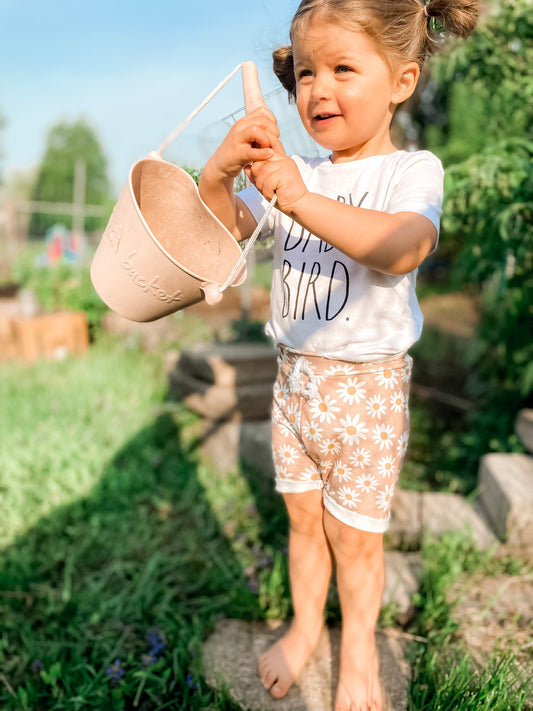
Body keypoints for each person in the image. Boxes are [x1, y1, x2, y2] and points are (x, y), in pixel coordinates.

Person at [198, 0, 478, 708]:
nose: (317, 89)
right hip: (294, 387)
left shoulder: (410, 170)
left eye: (342, 68)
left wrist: (296, 195)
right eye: (307, 73)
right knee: (300, 522)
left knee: (354, 540)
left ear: (401, 80)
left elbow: (402, 247)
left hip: (365, 396)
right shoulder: (301, 173)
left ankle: (355, 649)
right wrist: (218, 177)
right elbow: (224, 230)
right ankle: (302, 628)